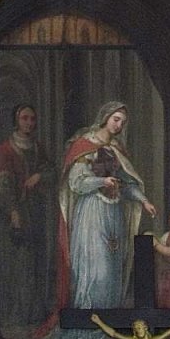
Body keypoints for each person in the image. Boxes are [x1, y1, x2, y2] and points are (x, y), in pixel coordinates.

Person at [59, 101, 156, 309]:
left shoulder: (116, 149)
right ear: (105, 118)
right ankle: (90, 316)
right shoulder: (84, 145)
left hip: (114, 212)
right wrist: (102, 181)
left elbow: (126, 183)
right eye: (116, 119)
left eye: (123, 122)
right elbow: (76, 183)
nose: (119, 125)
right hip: (92, 212)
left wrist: (144, 200)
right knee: (97, 268)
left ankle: (109, 317)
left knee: (113, 267)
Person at [0, 103, 54, 339]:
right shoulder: (6, 149)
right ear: (16, 121)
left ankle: (35, 315)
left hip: (36, 212)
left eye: (32, 119)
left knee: (38, 260)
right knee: (19, 263)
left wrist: (39, 176)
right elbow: (2, 185)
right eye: (25, 118)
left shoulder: (37, 147)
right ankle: (17, 315)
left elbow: (51, 170)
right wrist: (13, 212)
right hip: (16, 214)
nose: (29, 123)